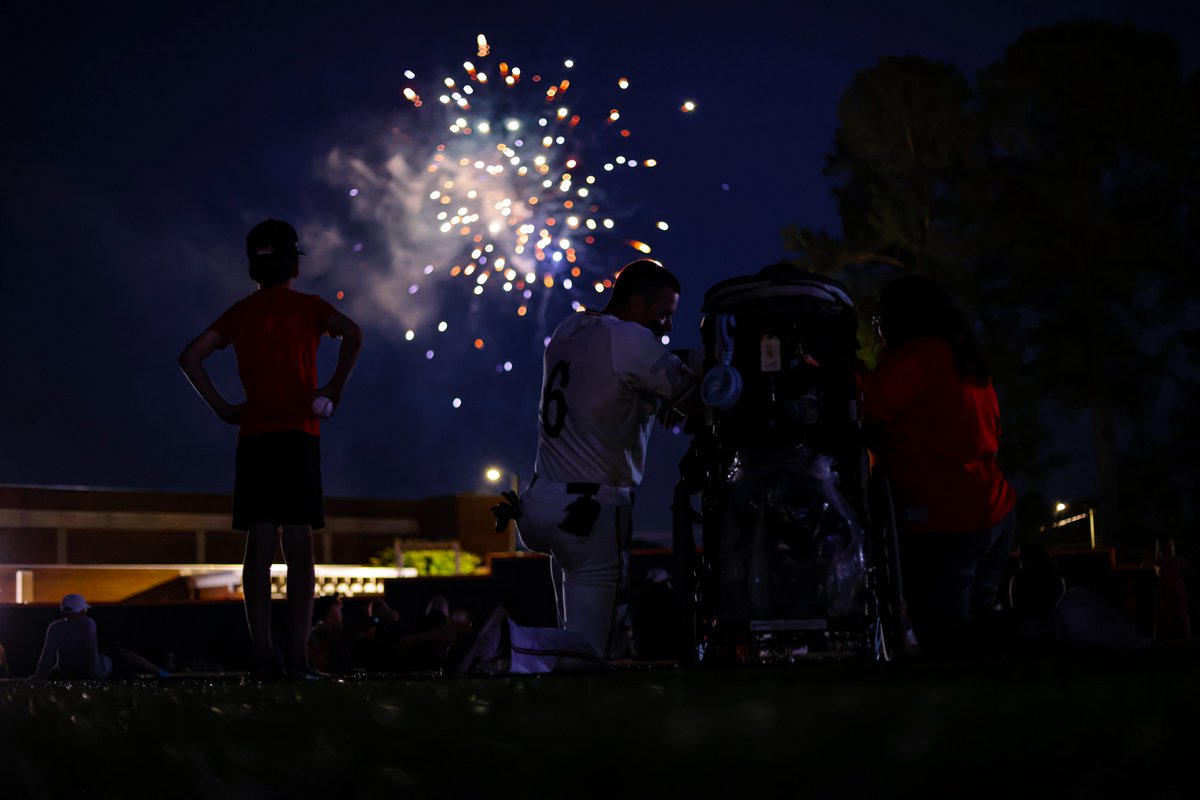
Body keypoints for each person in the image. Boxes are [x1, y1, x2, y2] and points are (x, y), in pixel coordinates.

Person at [477, 259, 699, 674]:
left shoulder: (569, 329)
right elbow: (694, 398)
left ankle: (547, 700)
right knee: (592, 650)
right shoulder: (631, 340)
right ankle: (507, 645)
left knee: (572, 640)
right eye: (664, 313)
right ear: (636, 303)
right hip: (593, 510)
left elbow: (606, 391)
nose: (667, 326)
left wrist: (650, 401)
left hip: (541, 502)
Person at [179, 218, 363, 681]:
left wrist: (223, 408)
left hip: (255, 438)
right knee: (299, 546)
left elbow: (190, 356)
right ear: (293, 265)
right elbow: (354, 333)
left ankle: (263, 654)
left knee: (259, 545)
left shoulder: (240, 314)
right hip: (300, 435)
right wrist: (335, 388)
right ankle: (299, 660)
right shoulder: (309, 308)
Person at [857, 274, 1017, 658]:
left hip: (945, 517)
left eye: (883, 316)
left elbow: (874, 399)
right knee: (982, 622)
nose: (879, 327)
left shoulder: (923, 353)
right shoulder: (962, 357)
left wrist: (832, 368)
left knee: (947, 637)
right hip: (991, 507)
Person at [31, 594, 168, 681]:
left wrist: (38, 678)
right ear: (83, 611)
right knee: (121, 653)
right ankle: (161, 673)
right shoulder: (87, 623)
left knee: (58, 666)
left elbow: (47, 656)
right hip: (94, 671)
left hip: (67, 672)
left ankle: (160, 672)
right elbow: (87, 654)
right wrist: (94, 678)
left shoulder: (55, 627)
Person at [1152, 536, 1193, 642]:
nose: (1171, 547)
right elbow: (1156, 571)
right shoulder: (1161, 561)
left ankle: (1183, 635)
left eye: (1172, 544)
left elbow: (1187, 569)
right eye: (1168, 545)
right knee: (1165, 611)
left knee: (1180, 610)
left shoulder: (1177, 559)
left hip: (1177, 589)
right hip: (1166, 589)